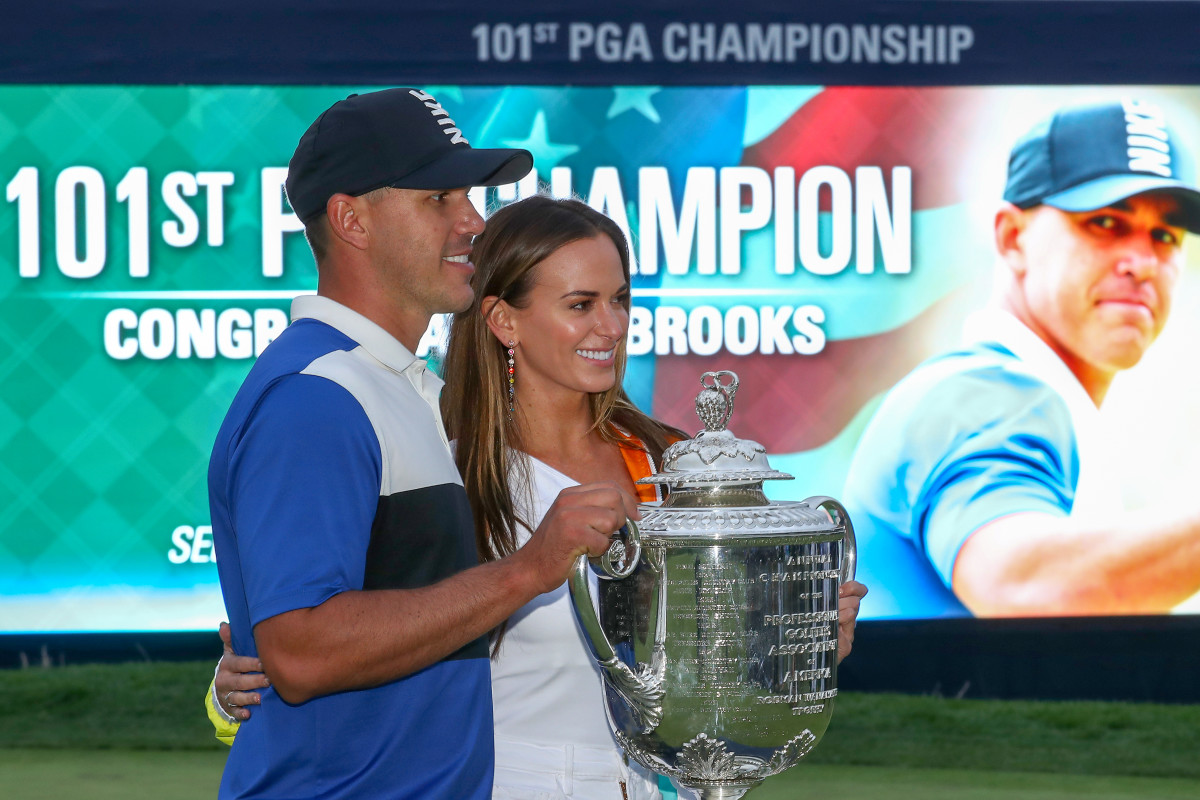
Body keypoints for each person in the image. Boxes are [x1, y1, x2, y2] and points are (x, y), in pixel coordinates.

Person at [210, 195, 870, 799]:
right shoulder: (443, 465)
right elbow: (327, 635)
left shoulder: (670, 462)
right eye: (581, 304)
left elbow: (706, 670)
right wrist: (232, 686)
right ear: (503, 321)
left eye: (621, 299)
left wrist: (791, 644)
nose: (611, 326)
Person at [207, 89, 641, 800]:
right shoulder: (317, 395)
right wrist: (525, 570)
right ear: (351, 219)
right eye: (439, 198)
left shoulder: (411, 392)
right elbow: (302, 651)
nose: (472, 220)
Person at [843, 97, 1200, 619]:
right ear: (1012, 239)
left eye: (1165, 235)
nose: (1143, 262)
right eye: (1105, 222)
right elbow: (1020, 585)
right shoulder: (987, 394)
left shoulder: (1028, 399)